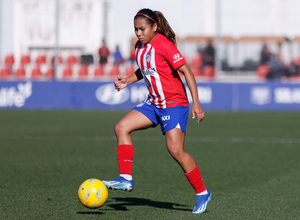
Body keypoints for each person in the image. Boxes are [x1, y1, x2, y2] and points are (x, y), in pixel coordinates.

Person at [102, 8, 211, 214]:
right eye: (136, 29)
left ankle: (202, 193)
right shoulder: (139, 47)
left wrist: (196, 103)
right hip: (154, 103)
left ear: (154, 27)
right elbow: (144, 70)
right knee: (121, 127)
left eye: (142, 28)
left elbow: (186, 71)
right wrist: (128, 80)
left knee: (175, 151)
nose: (138, 33)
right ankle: (125, 179)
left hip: (174, 104)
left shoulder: (164, 45)